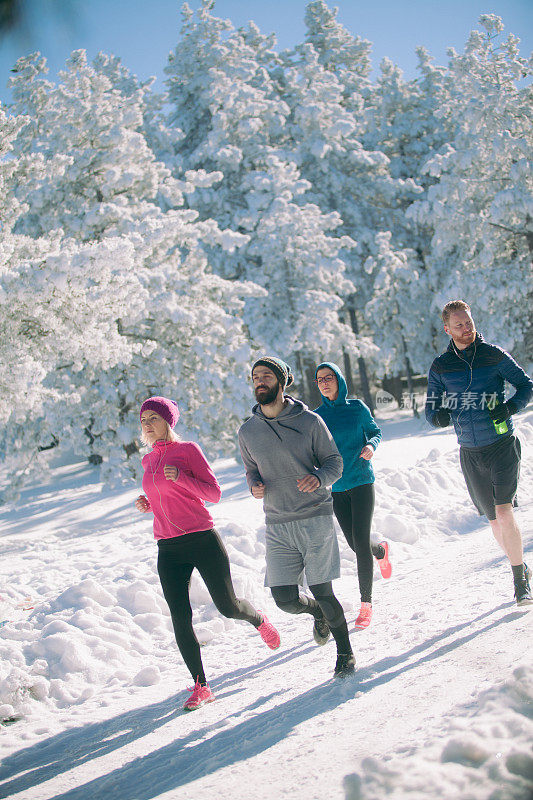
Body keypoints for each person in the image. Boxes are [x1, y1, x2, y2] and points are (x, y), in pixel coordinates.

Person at [135, 396, 280, 711]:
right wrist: (149, 504)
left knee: (228, 607)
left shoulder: (187, 451)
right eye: (144, 420)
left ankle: (257, 618)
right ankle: (201, 685)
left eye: (153, 418)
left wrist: (182, 478)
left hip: (202, 539)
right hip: (168, 547)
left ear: (168, 421)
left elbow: (213, 493)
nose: (147, 425)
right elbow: (162, 496)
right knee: (179, 616)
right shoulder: (147, 461)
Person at [238, 357, 356, 678]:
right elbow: (250, 470)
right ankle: (317, 613)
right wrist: (254, 484)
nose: (259, 381)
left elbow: (334, 462)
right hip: (277, 523)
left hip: (314, 516)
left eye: (266, 375)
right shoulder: (248, 431)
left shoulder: (310, 422)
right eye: (255, 377)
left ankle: (345, 652)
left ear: (282, 381)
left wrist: (319, 479)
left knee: (322, 588)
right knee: (285, 599)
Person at [425, 301, 533, 605]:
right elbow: (431, 408)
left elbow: (526, 385)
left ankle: (518, 582)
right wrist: (438, 417)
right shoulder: (441, 366)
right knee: (494, 522)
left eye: (469, 322)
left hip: (502, 445)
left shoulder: (493, 355)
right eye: (458, 325)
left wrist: (509, 407)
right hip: (470, 452)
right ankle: (520, 563)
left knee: (503, 511)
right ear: (447, 329)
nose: (466, 329)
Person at [314, 362, 391, 631]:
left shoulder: (357, 408)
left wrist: (371, 445)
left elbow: (375, 431)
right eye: (320, 379)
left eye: (329, 377)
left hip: (361, 481)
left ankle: (366, 605)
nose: (324, 383)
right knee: (356, 544)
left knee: (359, 542)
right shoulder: (317, 416)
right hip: (335, 489)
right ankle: (380, 550)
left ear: (339, 380)